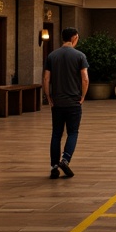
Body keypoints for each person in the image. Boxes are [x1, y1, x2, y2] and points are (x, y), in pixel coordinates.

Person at [42, 26, 89, 179]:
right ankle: (65, 159)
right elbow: (85, 78)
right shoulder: (80, 56)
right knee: (73, 132)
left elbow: (46, 79)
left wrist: (49, 97)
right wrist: (82, 96)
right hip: (73, 101)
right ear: (74, 37)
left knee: (56, 133)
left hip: (57, 102)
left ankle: (54, 166)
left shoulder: (52, 56)